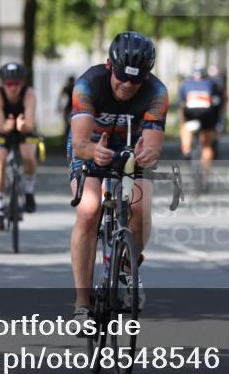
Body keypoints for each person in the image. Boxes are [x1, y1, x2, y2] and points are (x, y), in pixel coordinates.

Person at [68, 31, 168, 324]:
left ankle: (128, 266)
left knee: (141, 204)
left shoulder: (156, 93)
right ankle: (82, 303)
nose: (127, 85)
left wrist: (148, 155)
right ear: (110, 66)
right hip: (90, 147)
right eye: (123, 76)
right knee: (89, 209)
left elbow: (152, 146)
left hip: (130, 149)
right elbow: (79, 143)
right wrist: (92, 152)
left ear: (146, 77)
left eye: (136, 81)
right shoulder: (87, 85)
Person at [0, 61, 39, 230]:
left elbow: (31, 122)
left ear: (22, 83)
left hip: (24, 129)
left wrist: (23, 126)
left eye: (16, 83)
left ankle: (29, 191)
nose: (12, 88)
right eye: (9, 84)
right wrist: (7, 127)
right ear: (2, 83)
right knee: (0, 161)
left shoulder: (29, 93)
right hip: (3, 129)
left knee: (29, 157)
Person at [177, 66, 221, 186]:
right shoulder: (211, 83)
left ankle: (186, 149)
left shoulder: (185, 84)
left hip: (190, 114)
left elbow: (180, 106)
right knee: (207, 146)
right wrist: (216, 125)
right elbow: (217, 105)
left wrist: (182, 122)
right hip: (207, 116)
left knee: (185, 127)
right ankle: (205, 178)